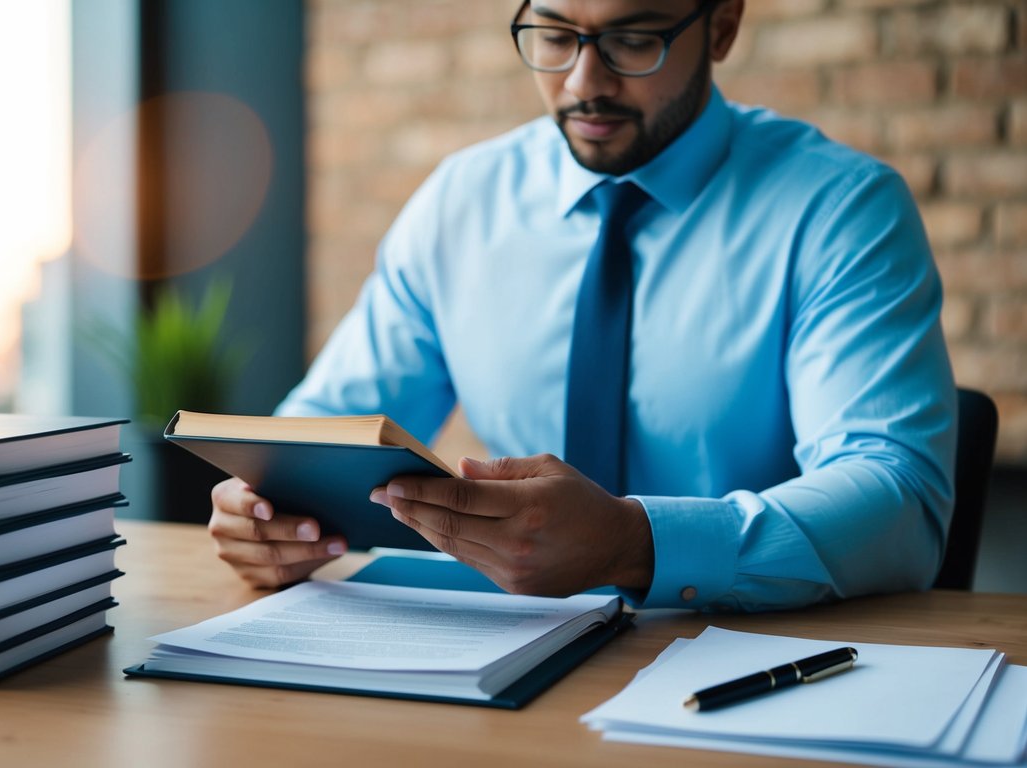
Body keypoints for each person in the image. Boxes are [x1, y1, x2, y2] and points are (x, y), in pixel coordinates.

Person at [207, 0, 957, 611]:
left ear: (721, 25)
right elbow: (325, 430)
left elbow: (896, 497)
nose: (581, 83)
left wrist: (635, 542)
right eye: (555, 35)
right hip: (502, 649)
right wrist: (265, 508)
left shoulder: (840, 210)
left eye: (633, 39)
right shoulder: (461, 202)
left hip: (745, 655)